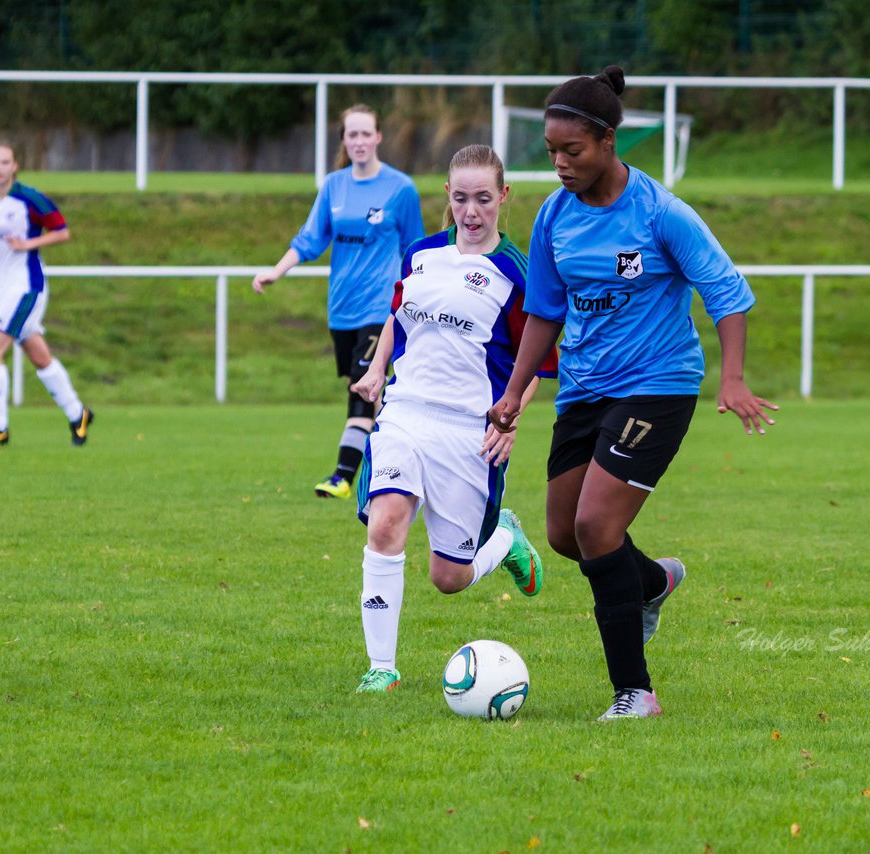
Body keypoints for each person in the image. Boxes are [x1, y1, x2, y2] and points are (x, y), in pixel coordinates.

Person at [488, 66, 776, 720]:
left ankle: (634, 692)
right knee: (565, 533)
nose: (559, 164)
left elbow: (727, 294)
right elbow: (544, 312)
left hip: (658, 386)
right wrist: (513, 392)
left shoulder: (661, 213)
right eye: (552, 151)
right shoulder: (555, 217)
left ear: (610, 141)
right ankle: (652, 581)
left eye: (573, 151)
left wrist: (731, 379)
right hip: (585, 391)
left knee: (597, 525)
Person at [347, 144, 557, 694]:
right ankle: (381, 667)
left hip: (470, 428)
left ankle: (503, 542)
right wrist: (376, 371)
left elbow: (538, 363)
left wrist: (509, 419)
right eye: (461, 198)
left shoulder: (517, 272)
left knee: (449, 578)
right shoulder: (419, 255)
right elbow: (399, 315)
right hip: (406, 412)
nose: (471, 211)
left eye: (483, 199)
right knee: (386, 521)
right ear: (448, 195)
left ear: (503, 198)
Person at [252, 104, 425, 499]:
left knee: (362, 387)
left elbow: (414, 249)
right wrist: (276, 272)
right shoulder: (334, 185)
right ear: (344, 140)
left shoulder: (401, 189)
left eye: (366, 134)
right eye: (352, 135)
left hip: (382, 308)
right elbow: (309, 239)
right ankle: (398, 467)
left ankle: (342, 476)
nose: (359, 141)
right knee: (373, 391)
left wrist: (415, 299)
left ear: (379, 137)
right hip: (341, 309)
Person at [0, 143, 94, 448]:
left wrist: (27, 245)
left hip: (26, 286)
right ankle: (78, 413)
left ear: (14, 165)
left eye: (5, 162)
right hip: (0, 289)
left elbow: (62, 231)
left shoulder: (29, 199)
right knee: (38, 355)